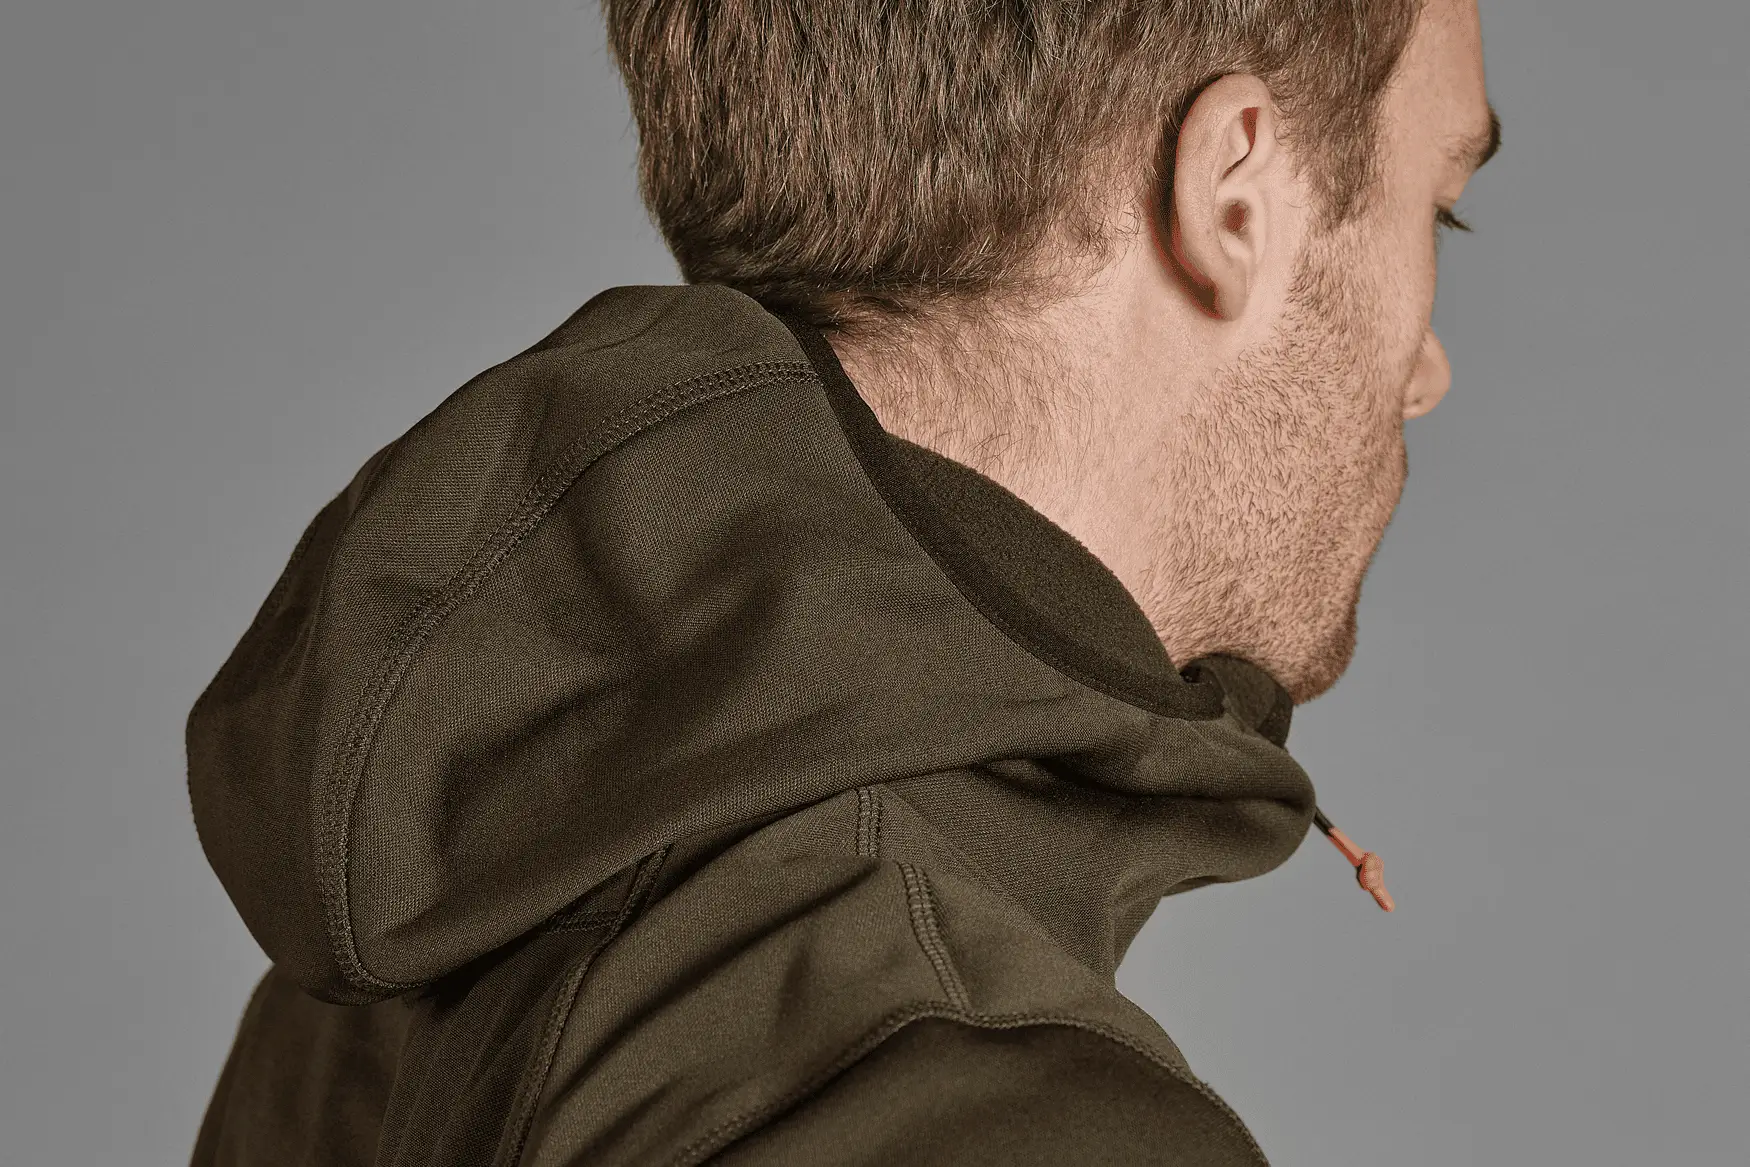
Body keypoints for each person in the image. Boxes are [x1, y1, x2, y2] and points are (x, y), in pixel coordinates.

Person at [187, 0, 1498, 1162]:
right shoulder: (988, 1109)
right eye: (1433, 207)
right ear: (1234, 196)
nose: (1428, 371)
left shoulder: (428, 926)